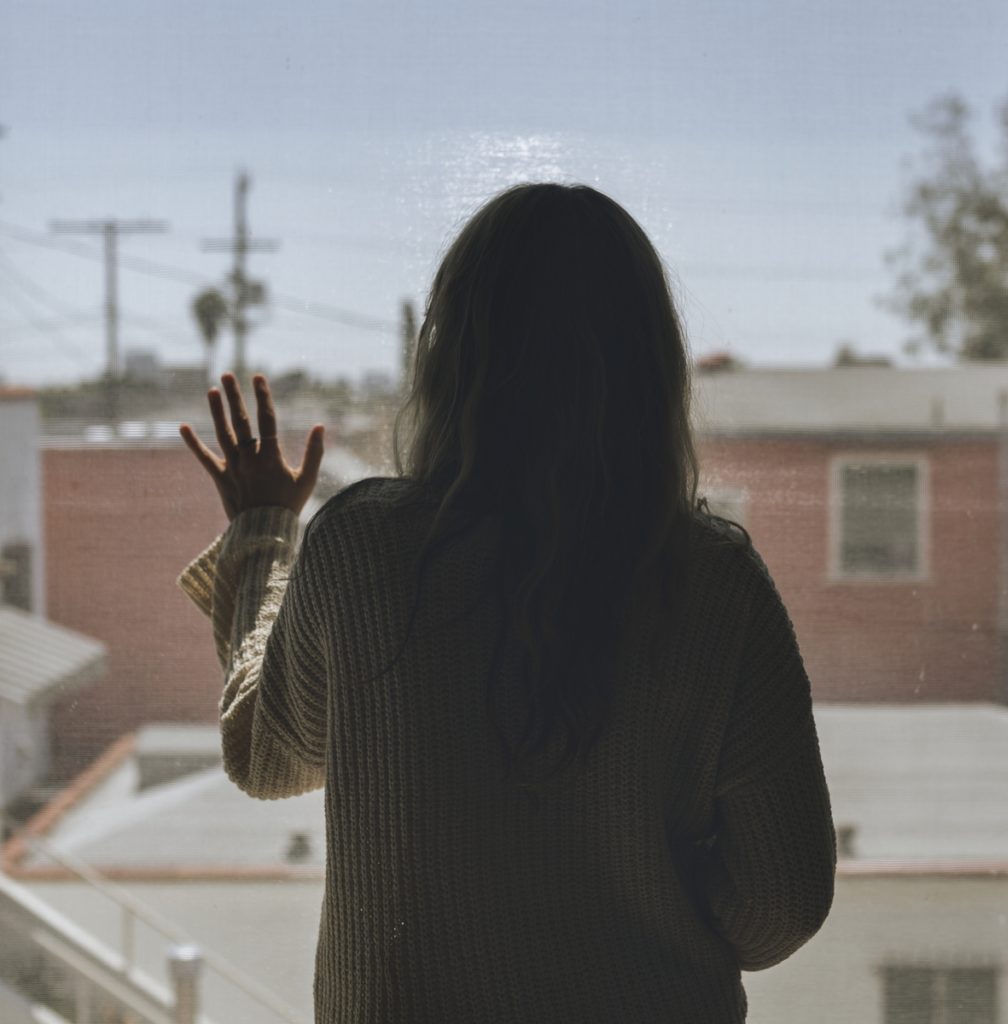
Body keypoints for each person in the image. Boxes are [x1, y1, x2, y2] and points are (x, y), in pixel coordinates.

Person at [178, 182, 835, 1024]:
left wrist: (265, 530)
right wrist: (643, 910)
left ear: (450, 354)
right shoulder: (716, 583)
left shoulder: (364, 550)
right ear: (652, 365)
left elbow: (267, 756)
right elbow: (782, 900)